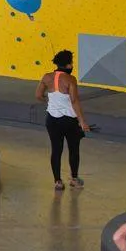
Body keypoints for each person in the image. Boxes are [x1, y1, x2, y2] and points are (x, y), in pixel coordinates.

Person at [35, 48, 91, 190]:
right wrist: (82, 121)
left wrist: (51, 101)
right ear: (68, 65)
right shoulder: (70, 79)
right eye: (71, 63)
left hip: (52, 120)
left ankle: (58, 182)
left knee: (56, 149)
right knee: (73, 149)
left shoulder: (46, 77)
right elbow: (74, 101)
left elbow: (38, 95)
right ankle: (74, 179)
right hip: (69, 121)